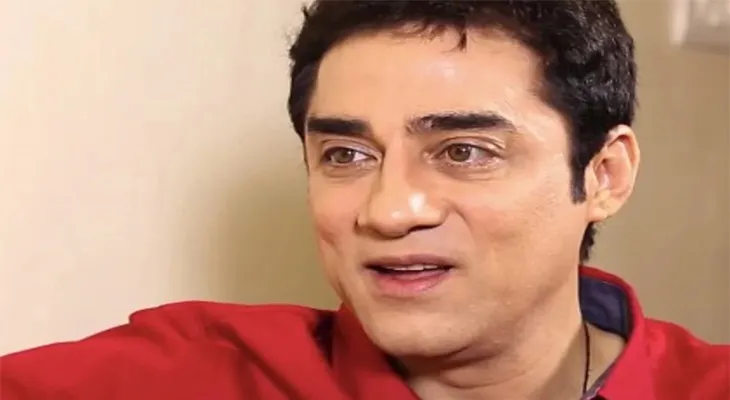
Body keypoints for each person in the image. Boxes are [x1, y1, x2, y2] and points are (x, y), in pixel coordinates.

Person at [1, 1, 728, 399]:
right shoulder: (195, 376)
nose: (388, 211)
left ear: (604, 175)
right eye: (347, 156)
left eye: (463, 151)